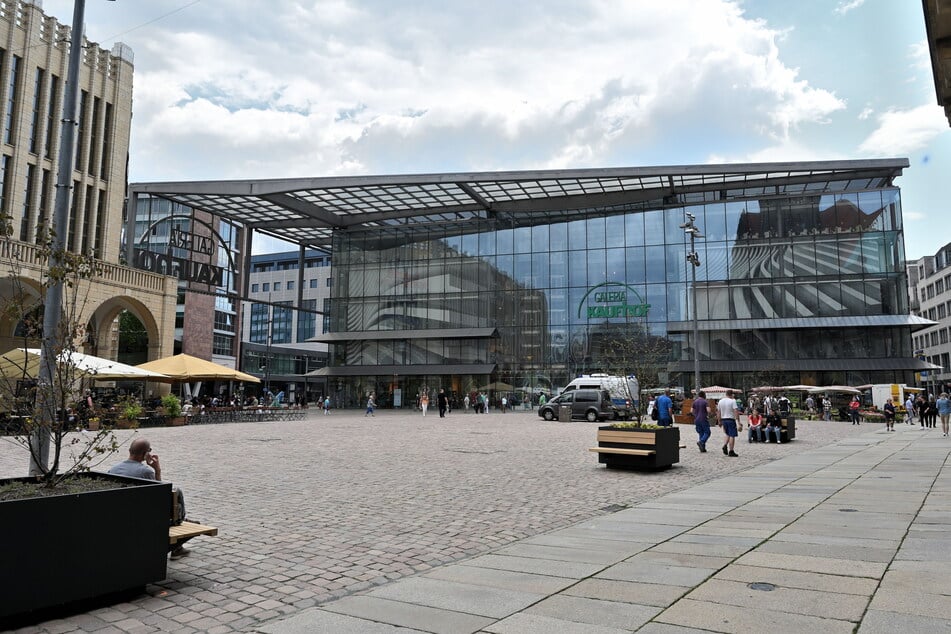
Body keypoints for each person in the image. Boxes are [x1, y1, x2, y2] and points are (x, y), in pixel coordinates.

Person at [109, 438, 190, 560]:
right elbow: (161, 497)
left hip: (118, 517)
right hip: (142, 521)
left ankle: (178, 546)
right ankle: (177, 544)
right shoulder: (146, 472)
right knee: (176, 492)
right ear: (146, 454)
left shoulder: (113, 470)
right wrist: (157, 470)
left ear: (130, 451)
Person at [717, 389, 740, 457]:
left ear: (726, 394)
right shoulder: (733, 401)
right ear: (732, 394)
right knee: (732, 435)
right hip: (731, 419)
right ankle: (731, 451)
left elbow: (718, 412)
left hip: (724, 420)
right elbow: (736, 411)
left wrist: (719, 421)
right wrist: (738, 421)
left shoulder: (720, 401)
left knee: (727, 434)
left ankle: (724, 445)